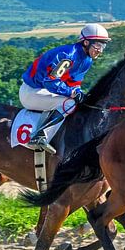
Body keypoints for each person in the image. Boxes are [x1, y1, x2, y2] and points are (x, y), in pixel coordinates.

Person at [19, 23, 111, 154]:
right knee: (69, 104)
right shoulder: (68, 55)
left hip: (45, 91)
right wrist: (72, 93)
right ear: (86, 42)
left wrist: (79, 94)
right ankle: (40, 136)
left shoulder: (87, 60)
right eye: (98, 45)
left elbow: (74, 83)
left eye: (103, 46)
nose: (100, 50)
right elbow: (50, 82)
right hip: (32, 91)